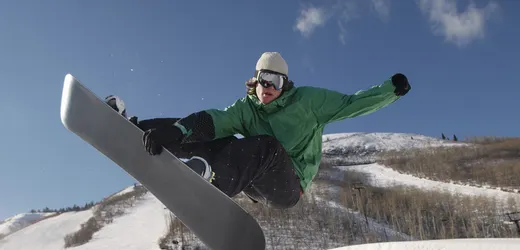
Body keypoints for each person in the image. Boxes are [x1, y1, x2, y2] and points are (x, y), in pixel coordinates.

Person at [106, 52, 411, 209]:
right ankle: (137, 129)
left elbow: (351, 104)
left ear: (285, 83)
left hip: (288, 187)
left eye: (275, 82)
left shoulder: (308, 102)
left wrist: (390, 91)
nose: (267, 88)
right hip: (251, 180)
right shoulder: (247, 106)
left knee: (267, 145)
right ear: (254, 79)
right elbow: (213, 120)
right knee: (210, 134)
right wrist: (177, 130)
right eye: (263, 79)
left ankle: (210, 184)